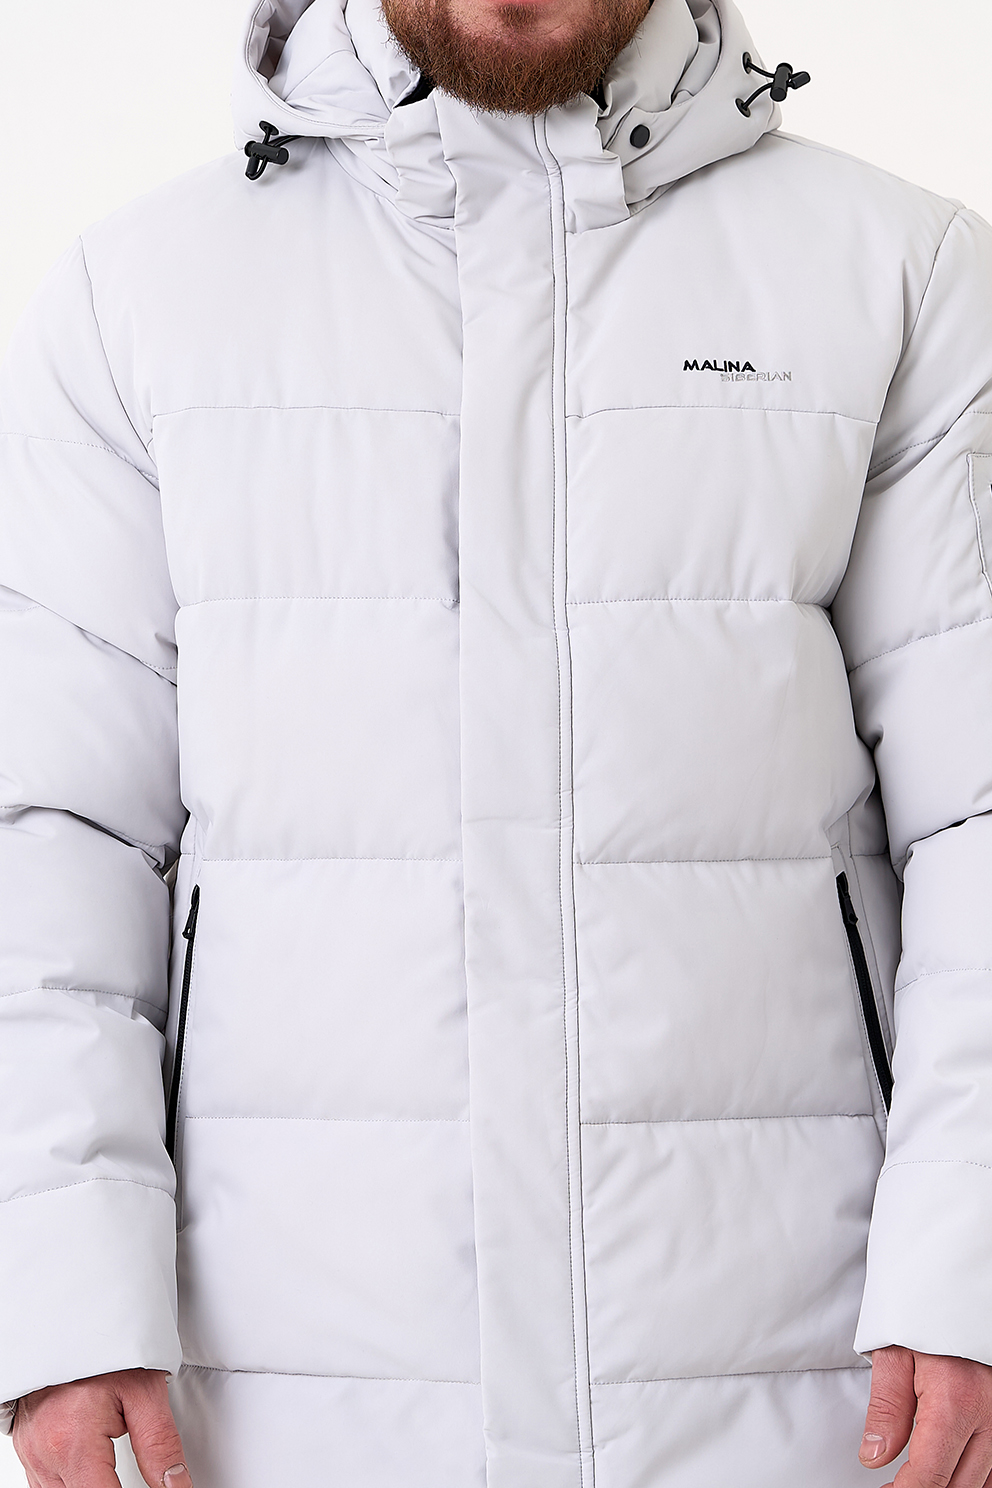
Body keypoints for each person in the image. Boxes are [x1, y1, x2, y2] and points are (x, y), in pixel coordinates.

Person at [2, 0, 992, 1482]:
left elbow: (976, 815)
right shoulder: (142, 298)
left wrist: (970, 1260)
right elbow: (54, 838)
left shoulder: (897, 274)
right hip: (290, 1392)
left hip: (800, 1382)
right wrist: (62, 1290)